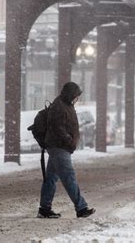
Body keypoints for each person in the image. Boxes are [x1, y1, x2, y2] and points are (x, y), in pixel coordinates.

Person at [38, 82, 95, 219]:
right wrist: (69, 141)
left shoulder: (66, 105)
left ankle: (44, 209)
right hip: (59, 147)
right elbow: (58, 128)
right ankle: (81, 208)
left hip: (59, 146)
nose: (77, 99)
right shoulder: (59, 106)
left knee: (50, 178)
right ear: (71, 94)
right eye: (76, 95)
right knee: (69, 177)